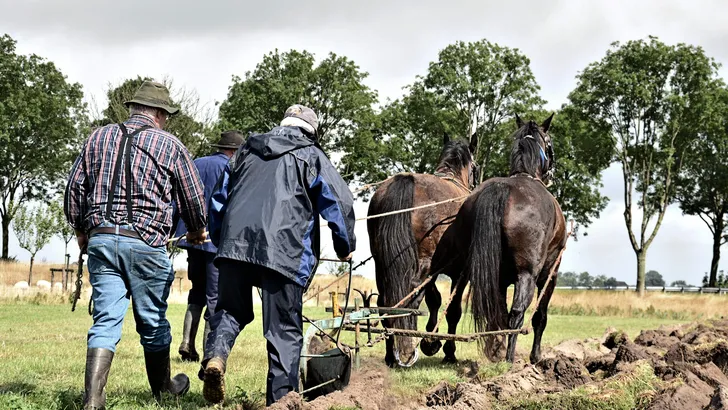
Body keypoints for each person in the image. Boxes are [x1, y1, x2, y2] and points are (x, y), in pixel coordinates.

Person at [64, 80, 208, 409]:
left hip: (101, 239)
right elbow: (193, 196)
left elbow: (74, 188)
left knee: (105, 320)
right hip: (146, 242)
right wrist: (198, 229)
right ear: (158, 113)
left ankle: (94, 399)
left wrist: (82, 230)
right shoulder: (170, 145)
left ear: (133, 109)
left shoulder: (97, 137)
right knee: (153, 319)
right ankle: (164, 390)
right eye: (166, 115)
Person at [200, 105, 356, 406]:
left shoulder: (246, 150)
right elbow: (339, 201)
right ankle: (282, 403)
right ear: (311, 132)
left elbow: (219, 200)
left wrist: (223, 242)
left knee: (230, 311)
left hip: (234, 245)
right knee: (283, 332)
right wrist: (344, 244)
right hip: (284, 251)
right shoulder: (311, 155)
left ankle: (216, 357)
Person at [172, 130, 245, 363]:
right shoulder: (235, 168)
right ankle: (209, 352)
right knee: (215, 296)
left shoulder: (196, 163)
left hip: (191, 239)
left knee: (197, 290)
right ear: (234, 151)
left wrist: (175, 229)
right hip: (215, 241)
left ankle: (187, 342)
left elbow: (177, 197)